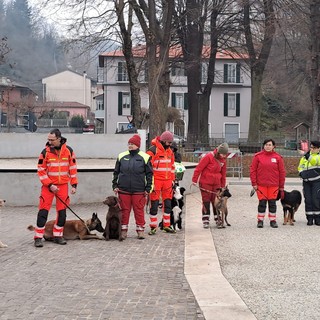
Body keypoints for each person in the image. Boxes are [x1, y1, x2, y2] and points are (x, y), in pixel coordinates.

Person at [33, 129, 78, 247]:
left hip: (63, 186)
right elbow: (41, 170)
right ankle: (38, 237)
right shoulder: (45, 152)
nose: (49, 142)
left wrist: (74, 184)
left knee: (62, 212)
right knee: (43, 211)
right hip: (48, 187)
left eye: (52, 140)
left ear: (59, 138)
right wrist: (49, 185)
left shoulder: (69, 151)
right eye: (48, 139)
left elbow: (72, 168)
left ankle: (58, 235)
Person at [112, 134, 153, 240]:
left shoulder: (145, 157)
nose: (130, 146)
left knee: (139, 211)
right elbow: (116, 172)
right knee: (124, 211)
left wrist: (148, 188)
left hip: (139, 190)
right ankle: (123, 231)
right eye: (129, 144)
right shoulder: (121, 156)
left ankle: (140, 231)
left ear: (137, 145)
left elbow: (149, 175)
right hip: (123, 189)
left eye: (132, 144)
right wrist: (115, 185)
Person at [250, 138, 286, 229]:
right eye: (266, 144)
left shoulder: (278, 157)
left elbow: (282, 172)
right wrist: (254, 183)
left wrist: (281, 186)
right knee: (262, 203)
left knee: (272, 203)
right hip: (261, 185)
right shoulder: (257, 156)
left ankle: (273, 220)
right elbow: (253, 170)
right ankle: (260, 220)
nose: (268, 146)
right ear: (263, 146)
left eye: (270, 145)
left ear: (273, 146)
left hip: (274, 185)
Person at [192, 143, 229, 228]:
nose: (224, 156)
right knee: (206, 200)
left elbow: (223, 174)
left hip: (217, 183)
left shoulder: (223, 160)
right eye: (222, 154)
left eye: (225, 154)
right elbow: (199, 168)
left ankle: (217, 218)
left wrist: (222, 186)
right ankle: (206, 219)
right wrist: (194, 179)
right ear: (218, 152)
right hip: (205, 182)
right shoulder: (208, 157)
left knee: (216, 201)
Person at [147, 130, 176, 235]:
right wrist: (150, 182)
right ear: (164, 141)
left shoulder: (170, 152)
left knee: (168, 204)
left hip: (168, 182)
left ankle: (166, 225)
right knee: (154, 204)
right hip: (157, 181)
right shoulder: (152, 151)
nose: (170, 145)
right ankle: (153, 227)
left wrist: (173, 180)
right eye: (169, 143)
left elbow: (172, 167)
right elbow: (148, 168)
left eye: (171, 143)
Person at [298, 140, 320, 226]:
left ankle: (317, 219)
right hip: (306, 181)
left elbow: (314, 161)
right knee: (308, 200)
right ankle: (309, 218)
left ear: (318, 149)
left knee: (316, 199)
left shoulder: (317, 156)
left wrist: (306, 154)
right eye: (311, 147)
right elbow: (300, 166)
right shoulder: (305, 157)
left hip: (316, 181)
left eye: (314, 148)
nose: (312, 149)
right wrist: (301, 173)